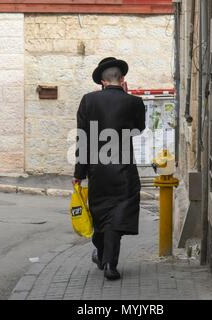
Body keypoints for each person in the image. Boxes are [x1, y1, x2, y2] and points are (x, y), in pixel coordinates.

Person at [72, 57, 146, 280]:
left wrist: (79, 174)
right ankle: (109, 264)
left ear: (102, 82)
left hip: (98, 171)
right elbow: (138, 130)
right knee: (118, 216)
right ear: (122, 79)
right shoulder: (134, 102)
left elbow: (82, 139)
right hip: (123, 170)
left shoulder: (88, 101)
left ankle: (102, 255)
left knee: (101, 216)